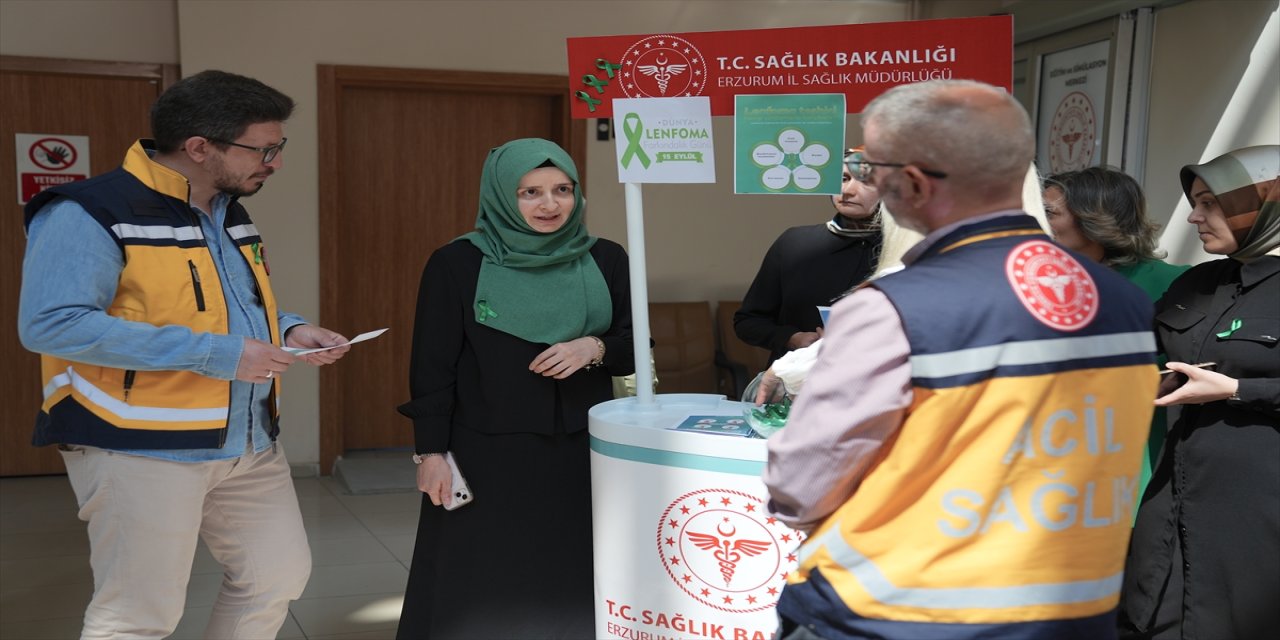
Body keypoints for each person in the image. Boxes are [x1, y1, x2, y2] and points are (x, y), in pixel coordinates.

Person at [762, 79, 1160, 639]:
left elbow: (800, 483)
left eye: (871, 167)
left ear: (915, 185)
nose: (865, 180)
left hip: (896, 613)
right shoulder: (1122, 300)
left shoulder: (892, 310)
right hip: (1067, 612)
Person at [17, 70, 351, 639]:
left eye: (278, 147)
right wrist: (220, 355)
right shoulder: (89, 211)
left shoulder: (229, 209)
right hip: (138, 445)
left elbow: (221, 307)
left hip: (246, 440)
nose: (273, 161)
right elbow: (53, 324)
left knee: (276, 577)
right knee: (138, 616)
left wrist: (290, 331)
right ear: (200, 147)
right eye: (263, 149)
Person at [396, 138, 635, 639]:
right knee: (479, 578)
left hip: (580, 447)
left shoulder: (605, 258)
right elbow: (432, 365)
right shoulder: (457, 263)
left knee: (571, 572)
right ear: (503, 196)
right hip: (486, 447)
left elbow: (636, 343)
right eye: (530, 192)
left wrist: (592, 347)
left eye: (561, 190)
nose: (549, 204)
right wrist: (431, 453)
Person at [1119, 145, 1280, 640]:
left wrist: (1236, 388)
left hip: (1258, 518)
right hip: (1174, 501)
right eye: (1197, 202)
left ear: (1263, 203)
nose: (1194, 216)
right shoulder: (1199, 282)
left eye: (1211, 203)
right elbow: (1146, 352)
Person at [1043, 167, 1190, 512]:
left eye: (1049, 211)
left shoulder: (1179, 285)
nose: (1036, 220)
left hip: (1130, 467)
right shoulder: (1036, 281)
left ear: (1094, 218)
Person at [734, 147, 883, 365]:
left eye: (866, 181)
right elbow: (748, 322)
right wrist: (792, 338)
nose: (848, 190)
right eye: (842, 178)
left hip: (878, 384)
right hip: (798, 384)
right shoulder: (794, 243)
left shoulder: (908, 251)